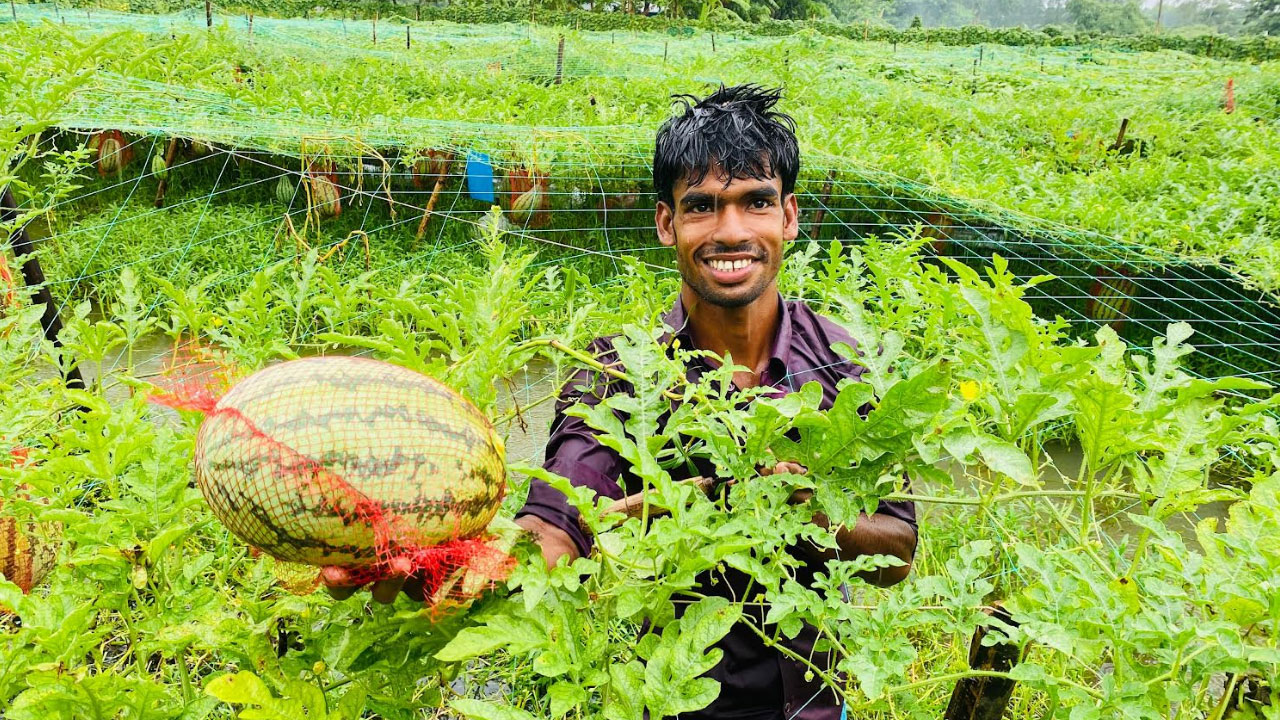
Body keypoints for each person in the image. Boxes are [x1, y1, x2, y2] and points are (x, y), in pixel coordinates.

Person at [325, 84, 918, 720]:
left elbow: (897, 550)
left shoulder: (845, 364)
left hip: (817, 707)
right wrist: (449, 560)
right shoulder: (615, 372)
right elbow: (560, 515)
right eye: (702, 207)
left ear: (790, 217)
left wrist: (800, 502)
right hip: (667, 705)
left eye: (756, 203)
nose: (731, 231)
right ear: (667, 223)